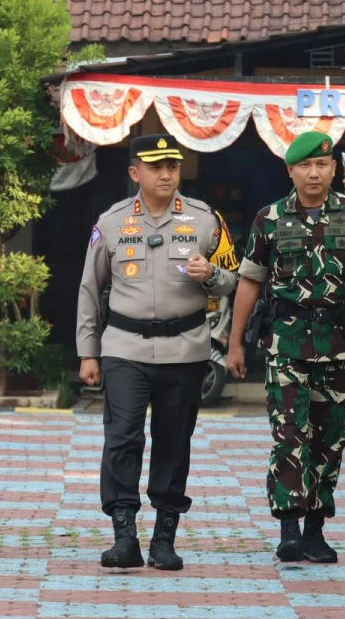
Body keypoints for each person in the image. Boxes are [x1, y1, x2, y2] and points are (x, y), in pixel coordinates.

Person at [227, 131, 345, 563]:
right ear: (290, 171)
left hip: (339, 342)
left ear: (334, 170)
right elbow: (250, 280)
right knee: (289, 433)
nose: (314, 172)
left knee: (330, 436)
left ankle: (316, 528)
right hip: (286, 340)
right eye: (305, 165)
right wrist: (234, 343)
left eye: (322, 165)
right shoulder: (269, 218)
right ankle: (288, 526)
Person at [76, 134, 239, 571]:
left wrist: (211, 276)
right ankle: (124, 535)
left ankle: (164, 537)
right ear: (135, 173)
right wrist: (88, 353)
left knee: (173, 442)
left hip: (185, 349)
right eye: (155, 167)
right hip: (125, 347)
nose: (166, 174)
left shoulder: (205, 220)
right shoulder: (110, 222)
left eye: (172, 166)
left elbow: (233, 278)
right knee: (122, 437)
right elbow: (90, 290)